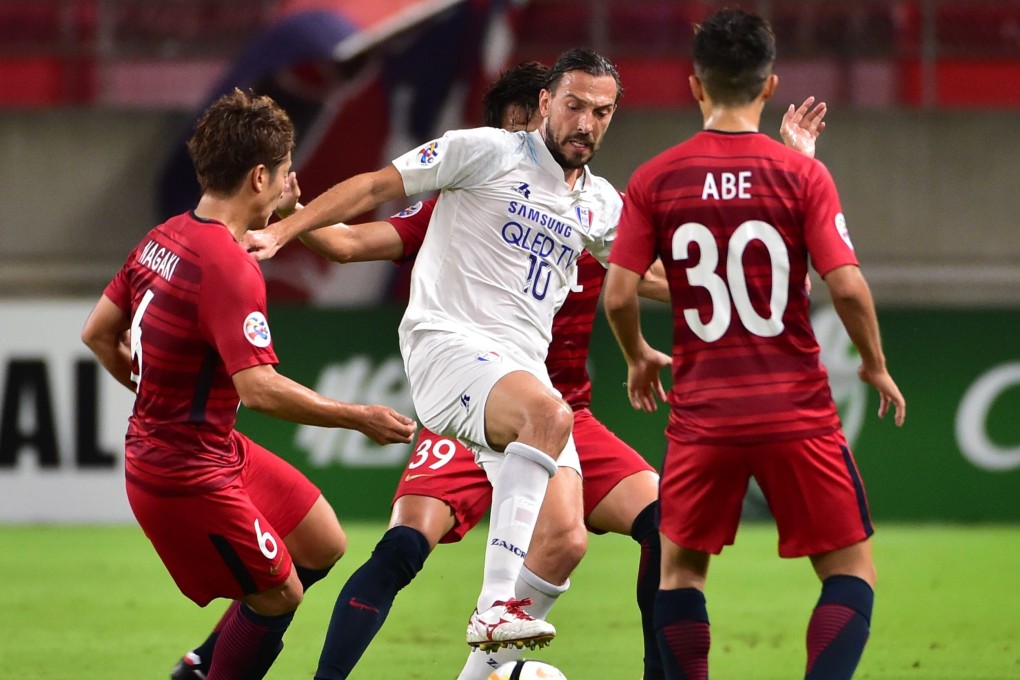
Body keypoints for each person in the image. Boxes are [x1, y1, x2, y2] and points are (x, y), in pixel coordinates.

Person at [289, 61, 666, 680]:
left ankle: (482, 672)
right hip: (464, 367)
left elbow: (646, 278)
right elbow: (355, 232)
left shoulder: (597, 206)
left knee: (570, 539)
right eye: (571, 108)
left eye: (599, 113)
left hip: (543, 398)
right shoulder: (471, 178)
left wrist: (745, 286)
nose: (584, 123)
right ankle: (493, 607)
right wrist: (290, 223)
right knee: (406, 544)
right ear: (543, 108)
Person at [602, 9, 906, 680]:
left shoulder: (655, 179)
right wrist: (875, 365)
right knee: (850, 569)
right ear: (769, 89)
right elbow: (849, 289)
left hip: (704, 414)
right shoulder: (802, 176)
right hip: (795, 408)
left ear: (694, 86)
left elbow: (619, 295)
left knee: (681, 572)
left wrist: (637, 355)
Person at [80, 88, 417, 680]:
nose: (292, 187)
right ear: (259, 176)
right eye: (287, 174)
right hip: (183, 472)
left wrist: (161, 393)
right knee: (280, 595)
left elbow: (97, 334)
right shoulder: (229, 266)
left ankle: (199, 665)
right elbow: (259, 388)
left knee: (321, 541)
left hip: (207, 446)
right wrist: (359, 417)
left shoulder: (163, 237)